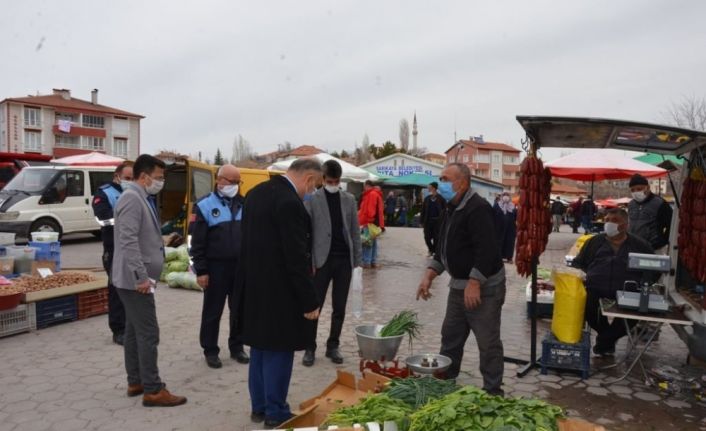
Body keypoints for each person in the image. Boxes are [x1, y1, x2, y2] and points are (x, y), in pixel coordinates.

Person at [239, 158, 322, 428]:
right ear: (309, 178)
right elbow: (296, 258)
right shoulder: (289, 204)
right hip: (281, 291)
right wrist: (310, 300)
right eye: (314, 186)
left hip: (254, 286)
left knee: (260, 348)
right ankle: (276, 412)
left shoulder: (255, 193)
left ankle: (259, 407)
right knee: (279, 350)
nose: (311, 192)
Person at [416, 163, 506, 396]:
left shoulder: (478, 208)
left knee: (487, 342)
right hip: (458, 287)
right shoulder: (450, 207)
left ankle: (493, 391)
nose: (441, 183)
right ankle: (445, 384)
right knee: (451, 337)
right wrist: (429, 275)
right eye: (441, 178)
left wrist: (474, 282)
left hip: (484, 289)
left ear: (463, 183)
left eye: (445, 179)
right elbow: (443, 248)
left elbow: (487, 250)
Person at [112, 154, 187, 407]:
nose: (161, 182)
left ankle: (136, 381)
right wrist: (141, 277)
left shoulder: (140, 197)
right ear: (143, 177)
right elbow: (128, 240)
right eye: (158, 177)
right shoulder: (132, 199)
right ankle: (153, 389)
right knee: (148, 333)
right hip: (136, 281)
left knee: (134, 332)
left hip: (135, 278)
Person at [571, 208, 654, 356]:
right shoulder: (594, 242)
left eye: (614, 221)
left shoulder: (640, 245)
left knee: (633, 314)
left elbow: (653, 269)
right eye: (607, 220)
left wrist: (644, 283)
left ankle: (604, 341)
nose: (609, 224)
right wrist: (587, 275)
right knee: (589, 310)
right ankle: (606, 340)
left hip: (628, 291)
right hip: (595, 288)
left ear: (625, 225)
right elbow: (579, 263)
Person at [303, 160, 362, 367]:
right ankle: (309, 347)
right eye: (330, 181)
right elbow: (306, 232)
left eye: (337, 181)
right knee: (314, 305)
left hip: (344, 260)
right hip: (321, 260)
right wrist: (307, 260)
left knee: (340, 306)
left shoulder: (349, 199)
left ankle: (333, 345)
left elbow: (355, 230)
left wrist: (358, 260)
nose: (333, 184)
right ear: (323, 179)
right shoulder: (312, 199)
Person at [190, 164, 249, 369]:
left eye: (237, 183)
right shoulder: (205, 205)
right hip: (215, 268)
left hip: (240, 267)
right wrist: (201, 270)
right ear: (220, 180)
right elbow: (196, 242)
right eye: (231, 182)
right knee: (213, 311)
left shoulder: (245, 204)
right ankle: (210, 350)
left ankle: (237, 346)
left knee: (239, 309)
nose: (234, 186)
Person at [92, 162, 133, 345]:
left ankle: (132, 326)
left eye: (133, 178)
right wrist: (129, 221)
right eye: (127, 179)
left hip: (134, 249)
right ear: (117, 176)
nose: (130, 182)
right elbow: (103, 218)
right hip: (115, 248)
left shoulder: (139, 193)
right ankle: (119, 330)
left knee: (133, 290)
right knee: (117, 290)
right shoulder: (105, 193)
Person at [627, 173, 673, 252]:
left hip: (654, 249)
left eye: (639, 189)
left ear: (648, 187)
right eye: (632, 190)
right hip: (634, 247)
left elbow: (671, 224)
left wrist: (662, 242)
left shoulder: (660, 203)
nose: (635, 192)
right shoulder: (631, 204)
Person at [358, 180, 385, 268]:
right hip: (373, 223)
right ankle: (372, 261)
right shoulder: (375, 193)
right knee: (372, 242)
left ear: (367, 186)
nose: (363, 188)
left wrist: (367, 221)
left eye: (364, 186)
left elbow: (370, 210)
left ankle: (367, 262)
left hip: (369, 223)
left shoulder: (371, 194)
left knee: (367, 243)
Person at [420, 182, 446, 256]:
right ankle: (431, 249)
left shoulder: (441, 199)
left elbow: (445, 211)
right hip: (428, 221)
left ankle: (434, 252)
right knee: (426, 237)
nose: (428, 188)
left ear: (434, 188)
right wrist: (421, 221)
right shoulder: (427, 199)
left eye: (429, 187)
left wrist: (444, 221)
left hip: (437, 222)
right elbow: (423, 211)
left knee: (436, 238)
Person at [493, 191, 517, 263]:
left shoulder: (513, 206)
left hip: (510, 229)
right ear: (501, 196)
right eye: (504, 195)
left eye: (507, 195)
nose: (506, 196)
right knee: (499, 242)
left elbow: (516, 217)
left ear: (510, 197)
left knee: (509, 243)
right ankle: (498, 257)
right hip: (499, 228)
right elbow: (492, 215)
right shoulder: (497, 205)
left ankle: (509, 258)